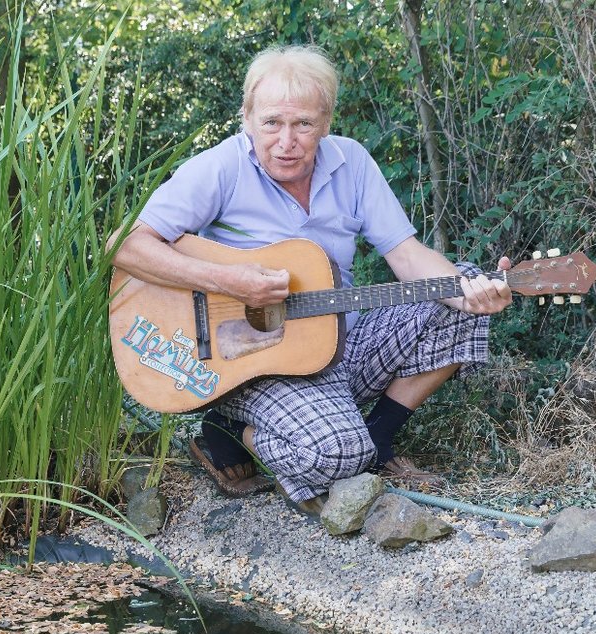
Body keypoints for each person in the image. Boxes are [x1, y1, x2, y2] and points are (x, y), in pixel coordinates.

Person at [110, 44, 512, 513]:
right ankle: (228, 430)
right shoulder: (221, 168)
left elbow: (405, 255)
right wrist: (228, 282)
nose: (287, 141)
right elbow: (124, 244)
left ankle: (378, 441)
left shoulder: (352, 162)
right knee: (338, 454)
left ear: (325, 122)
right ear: (247, 118)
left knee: (457, 284)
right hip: (250, 366)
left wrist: (470, 297)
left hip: (341, 342)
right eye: (272, 123)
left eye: (303, 124)